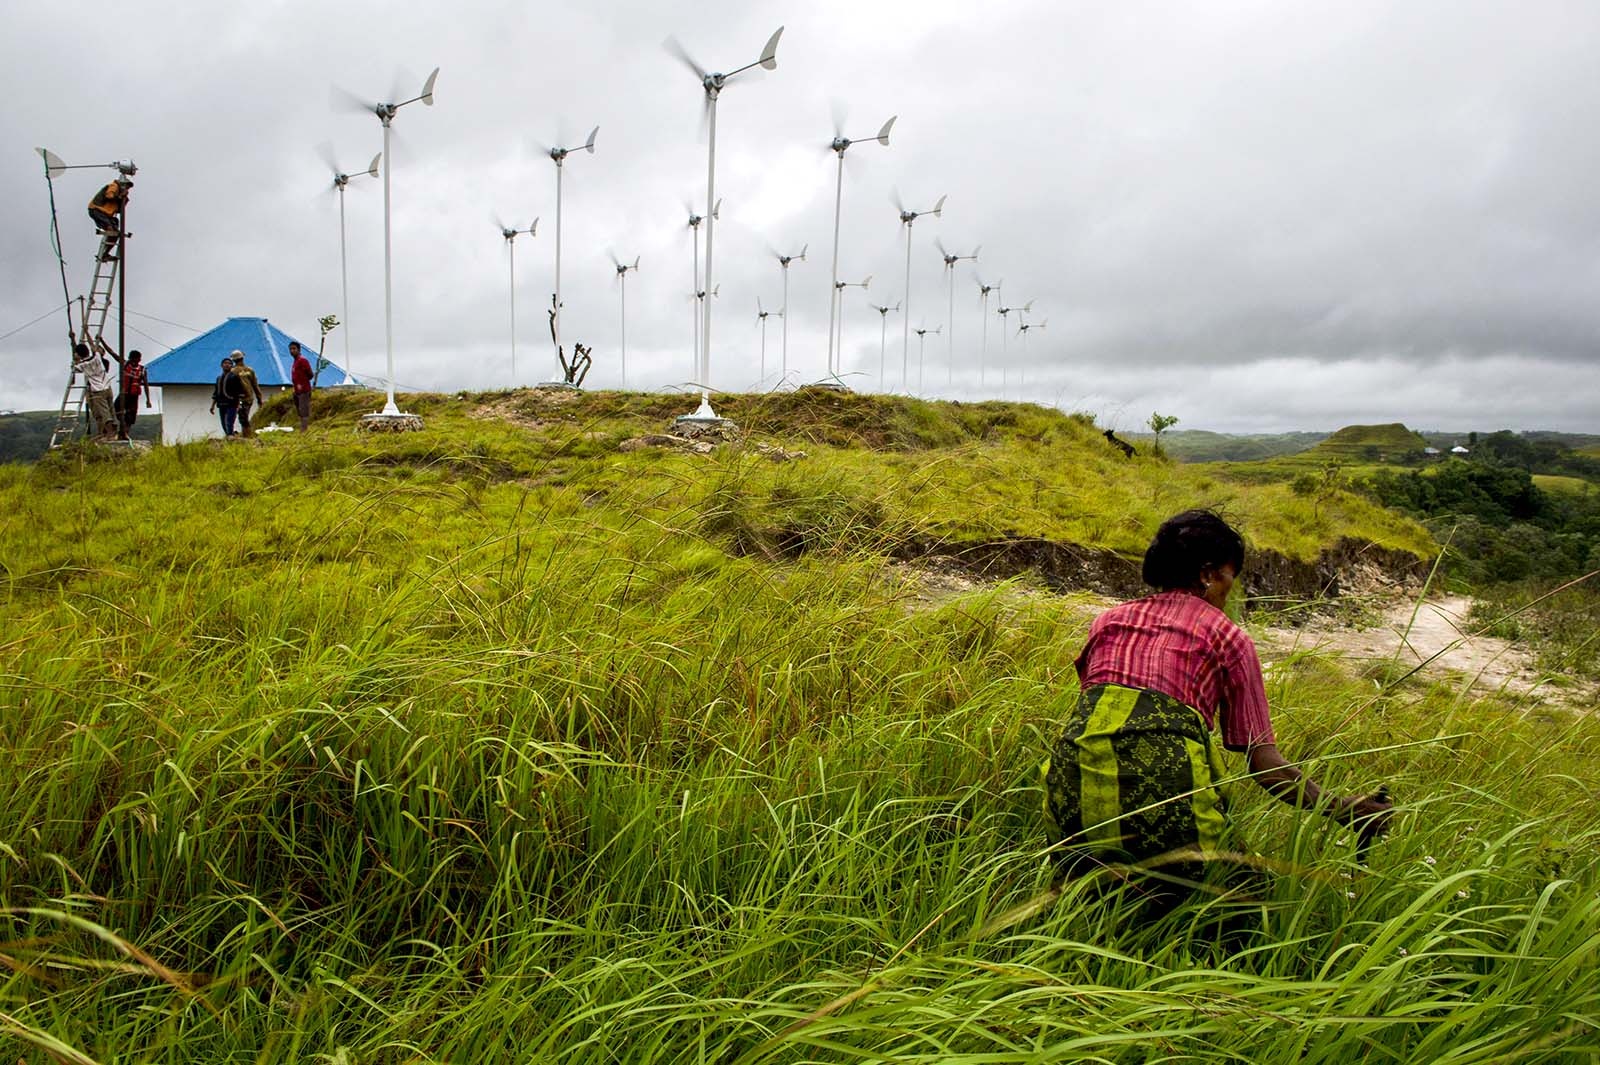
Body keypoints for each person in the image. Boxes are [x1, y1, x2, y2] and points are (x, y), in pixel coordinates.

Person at [1044, 509, 1392, 905]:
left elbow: (1103, 716)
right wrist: (1342, 808)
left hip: (1070, 796)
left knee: (1101, 901)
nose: (1230, 590)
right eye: (1230, 578)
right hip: (1167, 801)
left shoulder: (1107, 622)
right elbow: (1265, 765)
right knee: (1247, 904)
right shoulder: (1229, 639)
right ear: (1209, 574)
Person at [72, 341, 117, 441]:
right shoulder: (97, 357)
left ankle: (109, 433)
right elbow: (93, 347)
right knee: (110, 410)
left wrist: (75, 359)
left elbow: (75, 368)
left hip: (97, 391)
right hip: (107, 386)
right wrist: (88, 333)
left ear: (79, 354)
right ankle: (110, 432)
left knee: (104, 412)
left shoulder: (82, 365)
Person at [111, 348, 151, 440]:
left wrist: (148, 400)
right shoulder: (126, 365)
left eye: (136, 359)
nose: (134, 361)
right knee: (116, 410)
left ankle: (125, 434)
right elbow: (113, 354)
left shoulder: (142, 370)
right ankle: (121, 429)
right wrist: (102, 341)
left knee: (131, 416)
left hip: (134, 395)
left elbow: (145, 385)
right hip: (124, 394)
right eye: (132, 359)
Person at [229, 350, 265, 438]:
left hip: (240, 399)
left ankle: (247, 436)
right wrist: (259, 399)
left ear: (233, 360)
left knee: (243, 418)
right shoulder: (250, 370)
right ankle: (246, 435)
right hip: (247, 398)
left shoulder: (232, 371)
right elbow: (255, 386)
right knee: (243, 417)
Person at [210, 356, 240, 437]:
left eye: (229, 363)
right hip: (221, 404)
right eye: (225, 363)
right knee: (223, 423)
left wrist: (238, 404)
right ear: (221, 365)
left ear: (232, 366)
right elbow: (216, 393)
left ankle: (231, 436)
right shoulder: (218, 378)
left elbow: (238, 391)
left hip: (231, 404)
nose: (227, 365)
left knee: (229, 422)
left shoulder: (234, 377)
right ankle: (229, 437)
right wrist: (212, 405)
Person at [289, 341, 314, 432]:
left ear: (299, 350)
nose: (292, 351)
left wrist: (303, 383)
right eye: (291, 349)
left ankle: (304, 431)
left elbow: (310, 374)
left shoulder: (303, 361)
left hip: (304, 390)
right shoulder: (295, 362)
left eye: (294, 349)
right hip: (297, 391)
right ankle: (302, 429)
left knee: (304, 411)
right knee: (299, 410)